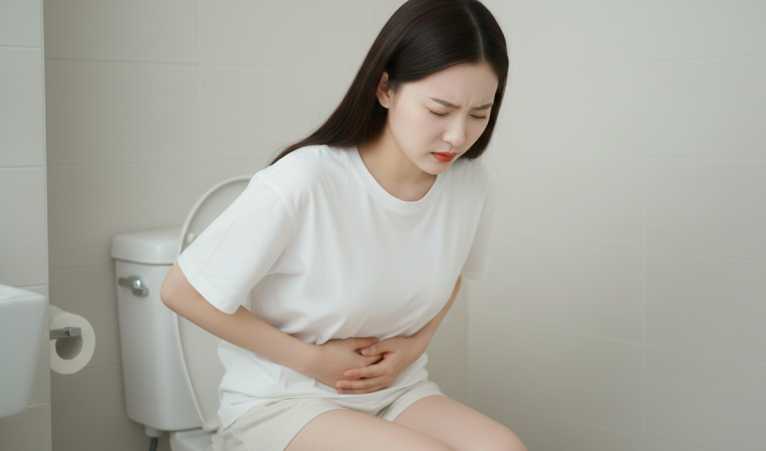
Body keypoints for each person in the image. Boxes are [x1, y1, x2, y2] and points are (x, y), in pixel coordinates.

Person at [160, 0, 526, 450]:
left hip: (396, 391)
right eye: (439, 110)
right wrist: (313, 362)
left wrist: (412, 348)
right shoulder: (305, 180)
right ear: (386, 88)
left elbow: (453, 275)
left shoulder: (468, 185)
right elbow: (182, 290)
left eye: (478, 114)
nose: (457, 136)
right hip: (284, 400)